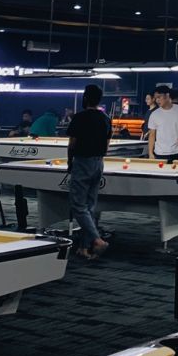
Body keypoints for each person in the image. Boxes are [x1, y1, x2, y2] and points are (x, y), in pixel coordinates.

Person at [67, 83, 112, 259]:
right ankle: (84, 248)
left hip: (82, 162)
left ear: (85, 98)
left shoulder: (79, 117)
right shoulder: (106, 118)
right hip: (98, 163)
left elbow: (72, 143)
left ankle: (97, 240)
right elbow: (107, 146)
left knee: (78, 206)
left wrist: (71, 162)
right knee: (89, 207)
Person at [148, 84, 178, 161]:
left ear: (167, 95)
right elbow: (152, 135)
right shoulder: (154, 114)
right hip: (160, 153)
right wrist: (150, 153)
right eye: (155, 98)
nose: (157, 100)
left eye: (159, 97)